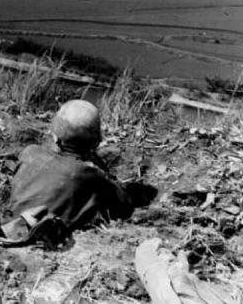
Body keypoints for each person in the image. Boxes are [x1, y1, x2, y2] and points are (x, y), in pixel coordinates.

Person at [8, 99, 142, 232]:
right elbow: (124, 206)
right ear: (95, 140)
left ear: (55, 134)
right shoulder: (89, 174)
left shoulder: (30, 152)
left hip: (10, 225)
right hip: (47, 238)